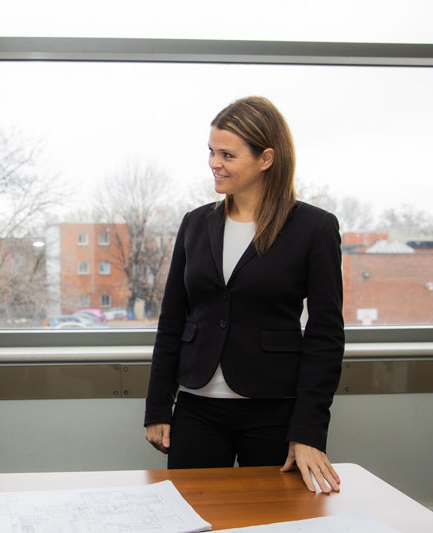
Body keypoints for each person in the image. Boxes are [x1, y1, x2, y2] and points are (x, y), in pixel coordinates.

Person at [144, 96, 344, 494]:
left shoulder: (314, 228)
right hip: (196, 408)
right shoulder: (195, 224)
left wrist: (308, 431)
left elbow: (326, 336)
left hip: (274, 410)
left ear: (266, 158)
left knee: (274, 517)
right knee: (191, 514)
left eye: (227, 155)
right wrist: (157, 407)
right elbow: (172, 320)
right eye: (211, 152)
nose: (214, 163)